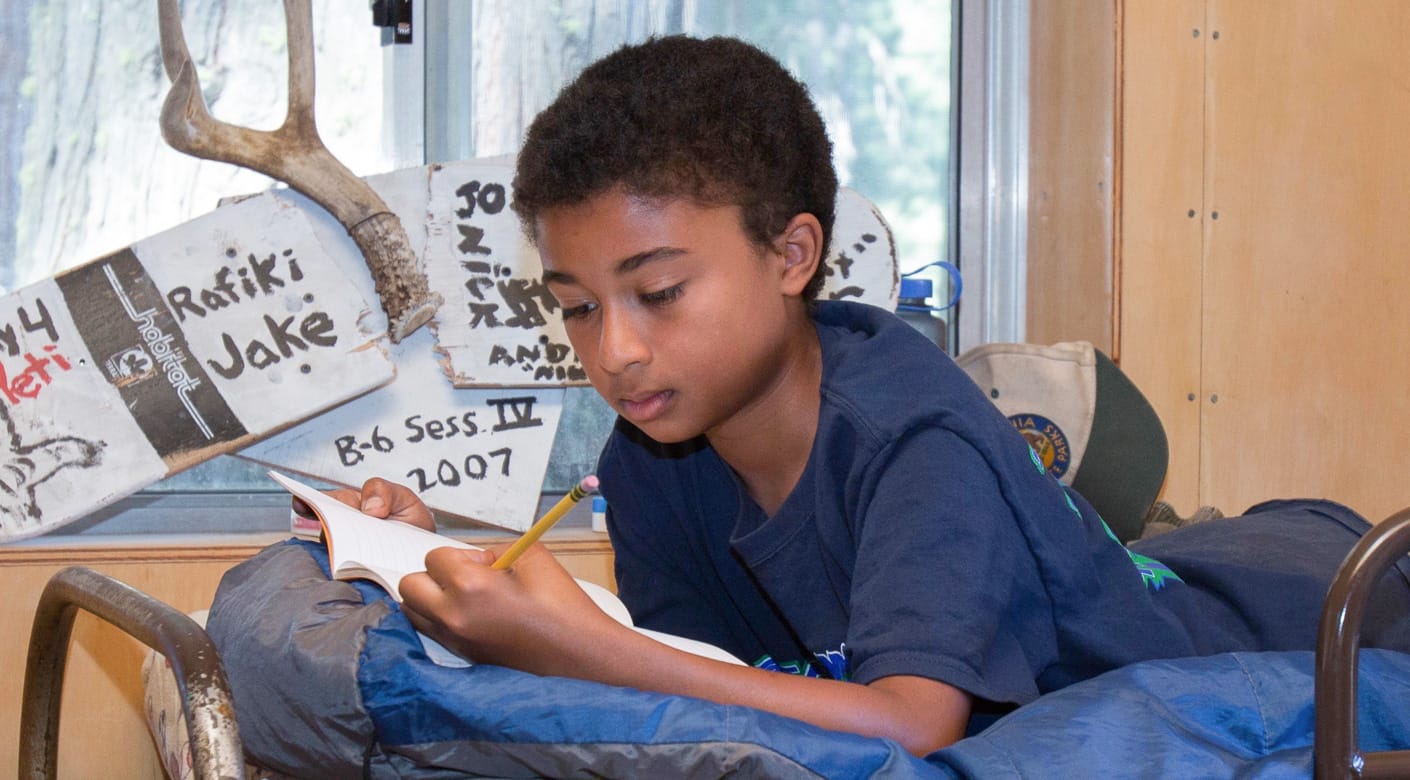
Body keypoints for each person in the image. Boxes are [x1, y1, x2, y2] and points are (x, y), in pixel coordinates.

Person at [320, 35, 1410, 757]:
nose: (617, 350)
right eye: (578, 307)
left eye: (656, 292)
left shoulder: (913, 438)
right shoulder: (651, 454)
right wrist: (447, 565)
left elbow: (913, 724)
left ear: (794, 254)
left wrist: (580, 645)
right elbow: (709, 683)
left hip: (1315, 603)